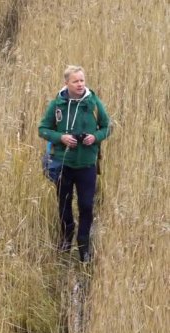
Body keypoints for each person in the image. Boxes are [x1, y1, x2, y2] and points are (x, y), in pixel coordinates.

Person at [39, 65, 110, 262]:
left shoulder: (94, 104)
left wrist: (94, 137)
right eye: (75, 81)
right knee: (64, 205)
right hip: (63, 164)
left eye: (82, 80)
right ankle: (66, 238)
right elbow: (43, 129)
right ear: (66, 83)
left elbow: (106, 127)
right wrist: (61, 137)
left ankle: (84, 246)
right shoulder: (57, 105)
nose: (80, 84)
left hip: (87, 165)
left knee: (86, 206)